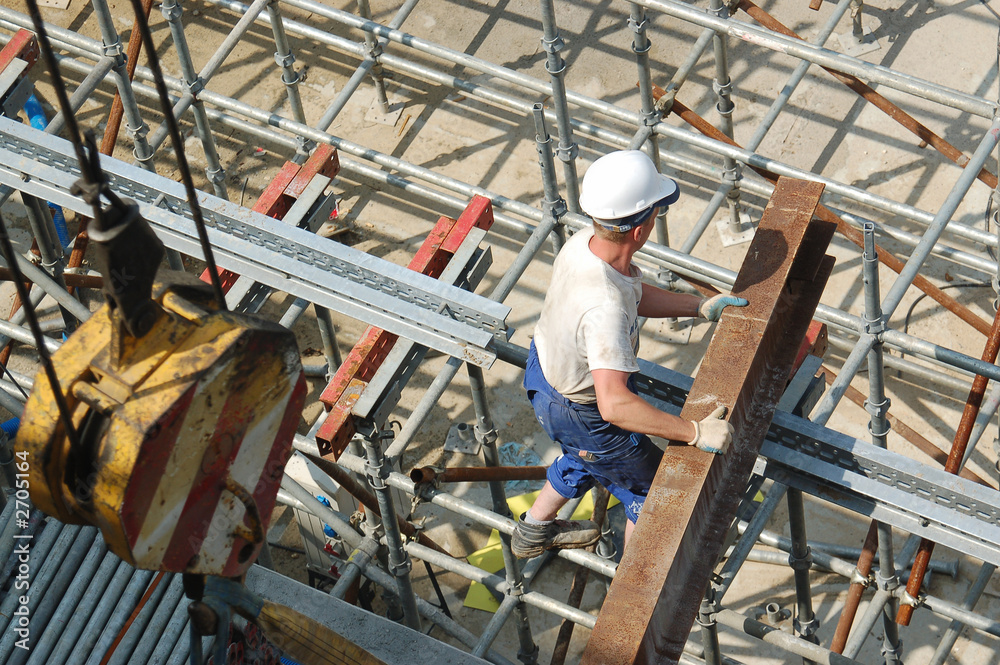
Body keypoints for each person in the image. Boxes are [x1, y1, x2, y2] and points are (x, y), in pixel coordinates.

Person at [511, 150, 748, 559]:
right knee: (654, 488)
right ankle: (636, 579)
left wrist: (696, 306)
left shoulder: (584, 245)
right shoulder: (603, 307)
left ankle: (535, 529)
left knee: (589, 453)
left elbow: (630, 294)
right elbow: (615, 407)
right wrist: (693, 432)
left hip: (546, 373)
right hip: (584, 409)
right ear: (640, 229)